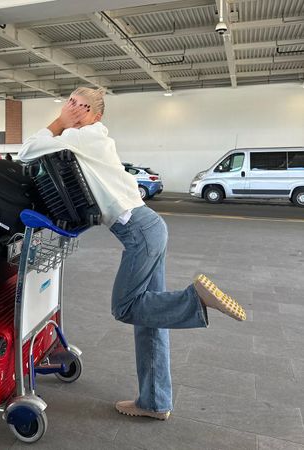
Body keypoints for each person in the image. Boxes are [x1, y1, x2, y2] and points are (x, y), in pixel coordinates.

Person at [18, 87, 246, 421]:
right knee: (148, 319)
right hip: (149, 228)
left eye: (81, 106)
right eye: (69, 103)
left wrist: (59, 121)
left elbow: (26, 151)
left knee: (125, 307)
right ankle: (155, 401)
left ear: (96, 115)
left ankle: (193, 300)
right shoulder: (90, 139)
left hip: (139, 232)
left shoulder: (83, 137)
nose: (73, 110)